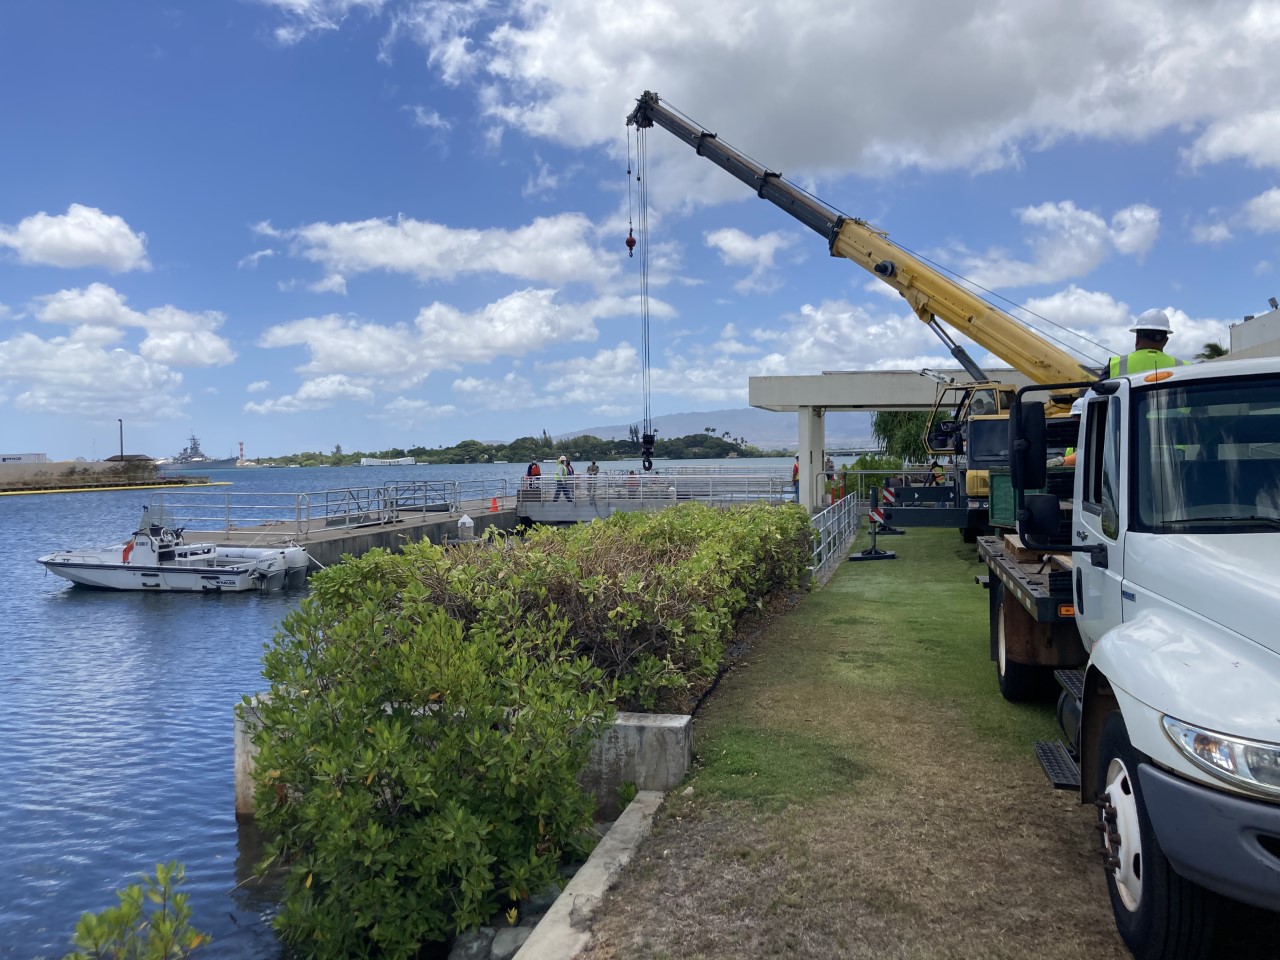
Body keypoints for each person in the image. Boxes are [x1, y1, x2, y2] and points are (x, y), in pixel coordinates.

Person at [1105, 309, 1188, 377]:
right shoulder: (1185, 367)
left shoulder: (1114, 365)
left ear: (1137, 338)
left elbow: (1099, 392)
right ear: (1165, 341)